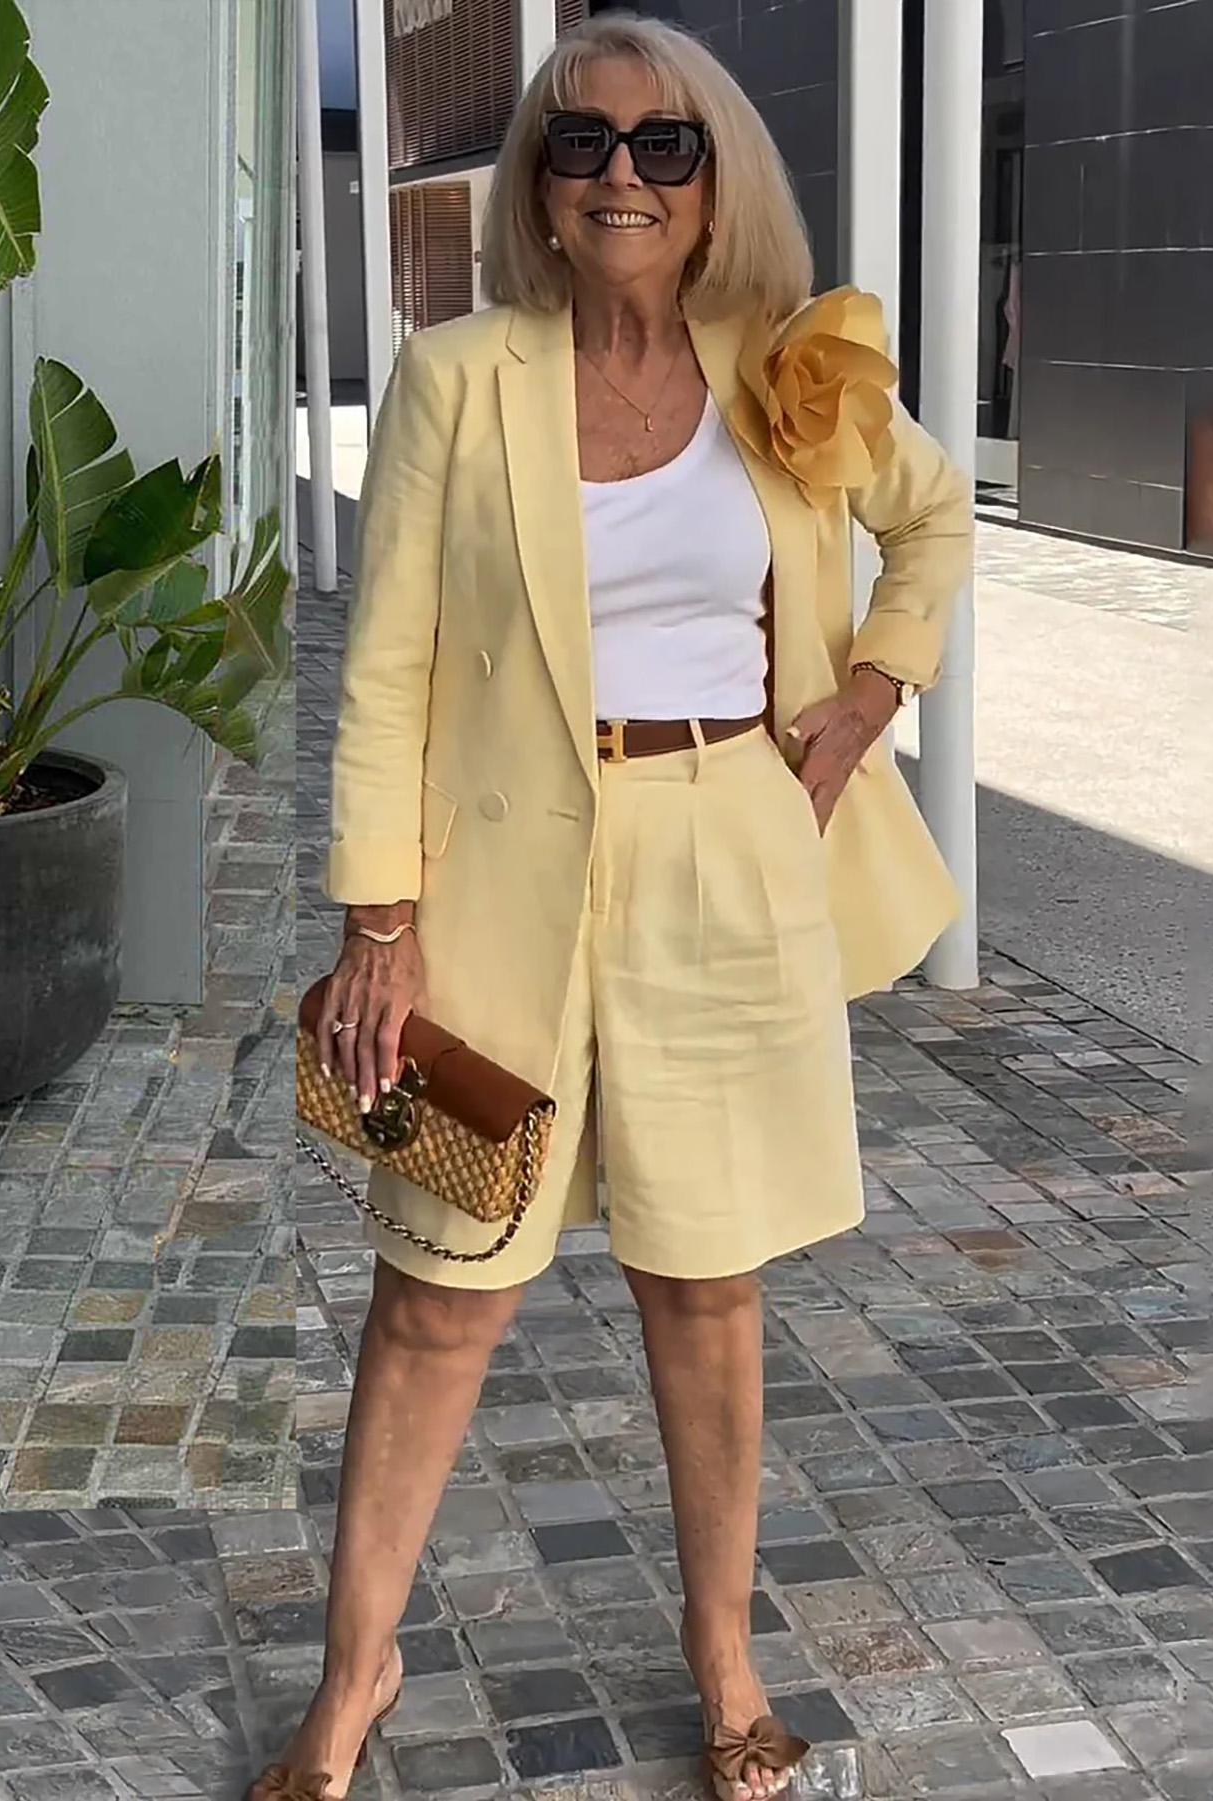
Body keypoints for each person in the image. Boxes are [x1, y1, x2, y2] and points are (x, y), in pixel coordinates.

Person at [252, 14, 969, 1800]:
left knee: (703, 1287)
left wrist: (871, 689)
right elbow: (388, 666)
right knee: (438, 1292)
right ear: (538, 185)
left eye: (664, 145)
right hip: (496, 880)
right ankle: (352, 1675)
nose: (623, 175)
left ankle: (724, 1663)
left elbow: (936, 517)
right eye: (581, 143)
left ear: (714, 179)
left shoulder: (783, 363)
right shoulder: (456, 377)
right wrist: (376, 922)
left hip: (724, 855)